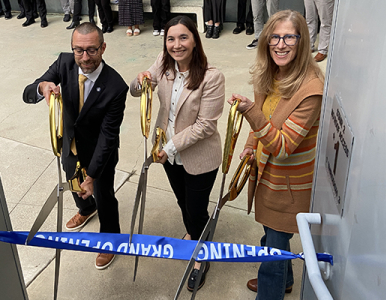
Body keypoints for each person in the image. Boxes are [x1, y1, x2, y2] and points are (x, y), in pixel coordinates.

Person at [228, 10, 324, 300]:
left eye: (289, 37)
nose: (281, 45)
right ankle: (286, 280)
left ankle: (273, 287)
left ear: (302, 41)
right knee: (272, 235)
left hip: (288, 186)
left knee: (273, 250)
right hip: (268, 179)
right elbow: (263, 121)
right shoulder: (270, 73)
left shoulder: (311, 90)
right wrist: (248, 144)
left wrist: (250, 113)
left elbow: (282, 147)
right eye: (275, 37)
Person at [130, 15, 225, 291]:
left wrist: (168, 147)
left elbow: (205, 126)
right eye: (171, 39)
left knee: (195, 208)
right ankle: (198, 232)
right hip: (168, 155)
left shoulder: (211, 77)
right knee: (183, 202)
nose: (176, 44)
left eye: (183, 37)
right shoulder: (162, 63)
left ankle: (200, 256)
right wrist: (140, 81)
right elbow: (137, 91)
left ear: (195, 40)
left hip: (198, 157)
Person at [23, 22, 128, 270]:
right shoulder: (64, 62)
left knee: (104, 195)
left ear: (103, 48)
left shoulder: (116, 86)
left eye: (91, 50)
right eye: (78, 50)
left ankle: (110, 238)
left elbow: (108, 136)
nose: (84, 57)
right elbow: (29, 91)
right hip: (69, 146)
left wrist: (92, 175)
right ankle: (85, 209)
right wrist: (42, 87)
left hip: (99, 152)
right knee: (74, 184)